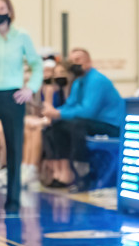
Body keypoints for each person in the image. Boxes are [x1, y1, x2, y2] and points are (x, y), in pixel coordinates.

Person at [0, 0, 40, 213]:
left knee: (14, 148)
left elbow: (36, 65)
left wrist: (30, 88)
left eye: (2, 8)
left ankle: (13, 202)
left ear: (10, 12)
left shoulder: (21, 36)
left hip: (14, 97)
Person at [41, 47, 126, 189]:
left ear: (88, 62)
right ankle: (63, 173)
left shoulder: (97, 80)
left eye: (78, 60)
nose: (74, 63)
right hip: (92, 122)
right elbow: (70, 105)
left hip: (110, 125)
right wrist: (54, 112)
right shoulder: (78, 81)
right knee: (55, 127)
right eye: (71, 61)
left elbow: (87, 112)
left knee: (75, 126)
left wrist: (58, 113)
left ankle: (83, 173)